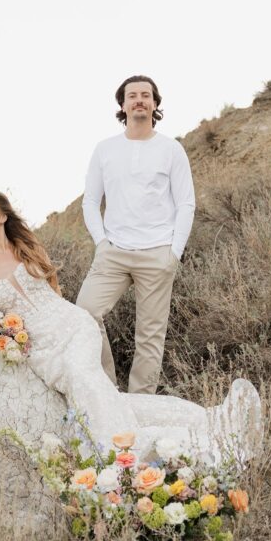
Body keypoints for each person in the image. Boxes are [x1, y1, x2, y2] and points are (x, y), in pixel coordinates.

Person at [0, 189, 262, 466]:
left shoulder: (24, 246)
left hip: (71, 325)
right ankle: (210, 424)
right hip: (40, 345)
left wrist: (59, 314)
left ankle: (127, 452)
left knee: (83, 377)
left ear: (3, 215)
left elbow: (52, 288)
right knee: (106, 397)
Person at [77, 75, 195, 393]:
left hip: (157, 252)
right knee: (85, 313)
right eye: (133, 95)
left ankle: (140, 407)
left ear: (155, 104)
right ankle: (105, 392)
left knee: (150, 336)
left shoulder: (171, 150)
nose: (139, 100)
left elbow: (186, 203)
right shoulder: (105, 150)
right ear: (122, 104)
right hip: (114, 251)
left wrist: (174, 254)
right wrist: (101, 243)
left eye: (146, 95)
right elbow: (90, 200)